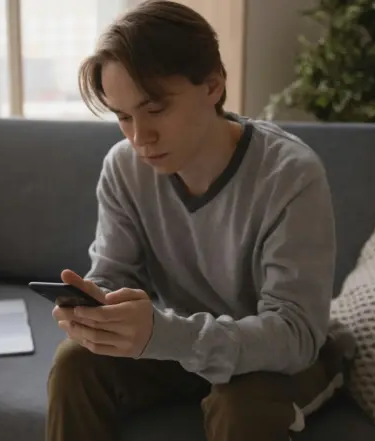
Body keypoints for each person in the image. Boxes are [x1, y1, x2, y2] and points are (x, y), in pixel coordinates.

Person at [47, 1, 346, 440]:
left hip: (285, 358)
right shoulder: (124, 168)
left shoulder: (289, 174)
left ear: (212, 86)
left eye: (155, 109)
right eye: (123, 116)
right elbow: (113, 274)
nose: (139, 137)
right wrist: (97, 315)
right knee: (75, 362)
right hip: (188, 347)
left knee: (240, 404)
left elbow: (296, 334)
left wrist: (170, 336)